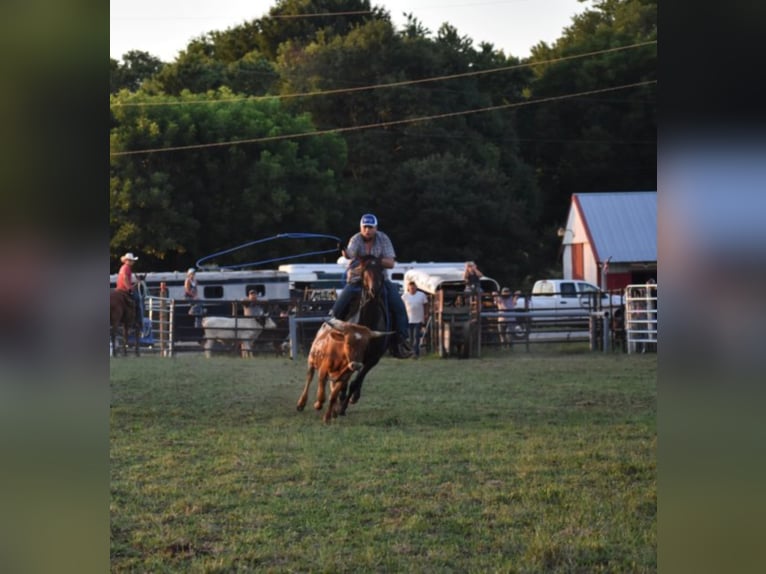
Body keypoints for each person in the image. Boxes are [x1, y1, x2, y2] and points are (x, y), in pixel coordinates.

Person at [330, 213, 413, 359]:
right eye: (365, 227)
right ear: (361, 227)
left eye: (370, 227)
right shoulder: (356, 239)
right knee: (339, 305)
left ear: (376, 228)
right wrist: (343, 249)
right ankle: (331, 333)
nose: (367, 230)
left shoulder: (383, 239)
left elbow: (391, 263)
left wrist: (372, 262)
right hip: (357, 279)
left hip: (380, 280)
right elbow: (349, 254)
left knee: (398, 305)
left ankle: (401, 340)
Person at [401, 280, 429, 359]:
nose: (412, 289)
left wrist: (426, 314)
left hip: (418, 319)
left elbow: (426, 305)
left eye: (414, 288)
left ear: (416, 288)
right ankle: (411, 352)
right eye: (411, 288)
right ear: (408, 288)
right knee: (410, 337)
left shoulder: (421, 295)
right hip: (408, 319)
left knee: (416, 336)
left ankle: (416, 353)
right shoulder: (404, 296)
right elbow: (401, 306)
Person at [116, 252, 142, 316]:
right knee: (138, 299)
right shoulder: (126, 268)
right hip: (124, 289)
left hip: (119, 288)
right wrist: (129, 289)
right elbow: (125, 278)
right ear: (128, 261)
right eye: (132, 261)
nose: (133, 262)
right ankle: (138, 319)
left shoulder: (123, 267)